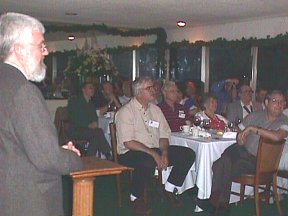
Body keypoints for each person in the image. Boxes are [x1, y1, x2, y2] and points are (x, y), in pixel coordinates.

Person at [0, 12, 82, 216]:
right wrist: (72, 156)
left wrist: (49, 149)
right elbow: (48, 159)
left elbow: (12, 143)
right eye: (40, 45)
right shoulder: (23, 92)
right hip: (28, 201)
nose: (45, 52)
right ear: (19, 50)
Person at [196, 90, 288, 215]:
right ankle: (220, 204)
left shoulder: (284, 120)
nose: (279, 104)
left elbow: (278, 137)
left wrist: (254, 129)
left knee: (223, 164)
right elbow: (240, 131)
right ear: (266, 102)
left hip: (260, 162)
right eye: (275, 101)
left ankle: (217, 203)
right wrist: (240, 137)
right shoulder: (255, 115)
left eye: (282, 102)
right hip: (242, 151)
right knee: (223, 161)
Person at [115, 76, 195, 215]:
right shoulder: (125, 112)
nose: (154, 90)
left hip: (154, 149)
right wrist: (153, 154)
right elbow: (128, 142)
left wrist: (164, 152)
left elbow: (164, 134)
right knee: (147, 161)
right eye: (149, 88)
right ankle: (135, 197)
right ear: (139, 92)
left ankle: (169, 188)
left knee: (188, 154)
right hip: (130, 152)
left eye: (153, 87)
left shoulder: (156, 110)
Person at [68, 82, 111, 158]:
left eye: (93, 88)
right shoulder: (75, 101)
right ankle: (108, 153)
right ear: (83, 90)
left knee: (96, 136)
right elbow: (74, 118)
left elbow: (94, 117)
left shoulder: (91, 104)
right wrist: (88, 125)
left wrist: (94, 123)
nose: (92, 90)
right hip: (76, 130)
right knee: (98, 132)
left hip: (88, 130)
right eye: (90, 88)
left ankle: (90, 158)